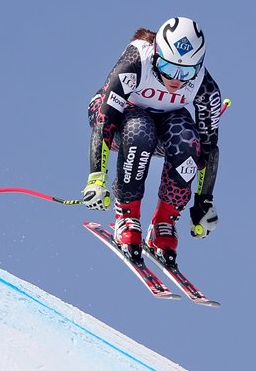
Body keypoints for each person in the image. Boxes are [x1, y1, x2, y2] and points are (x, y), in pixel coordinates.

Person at [82, 16, 222, 266]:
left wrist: (204, 202)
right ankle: (127, 215)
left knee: (187, 139)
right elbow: (105, 119)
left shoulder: (205, 87)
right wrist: (96, 179)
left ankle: (164, 224)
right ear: (157, 54)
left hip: (162, 125)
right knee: (139, 129)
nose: (177, 80)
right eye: (169, 69)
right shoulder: (137, 60)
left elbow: (208, 149)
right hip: (118, 121)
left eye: (187, 72)